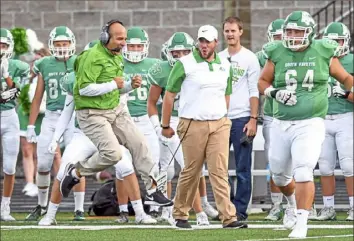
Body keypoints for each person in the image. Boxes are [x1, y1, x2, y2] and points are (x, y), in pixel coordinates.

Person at [258, 11, 353, 238]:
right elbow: (263, 82)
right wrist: (274, 93)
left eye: (297, 31)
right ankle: (291, 204)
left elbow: (347, 79)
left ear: (309, 33)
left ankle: (302, 220)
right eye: (289, 31)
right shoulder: (276, 51)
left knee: (303, 170)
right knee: (280, 175)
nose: (292, 36)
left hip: (310, 122)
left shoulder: (323, 51)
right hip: (281, 122)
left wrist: (349, 91)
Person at [60, 19, 173, 208]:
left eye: (125, 39)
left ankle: (153, 191)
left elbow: (114, 89)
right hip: (92, 113)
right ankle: (75, 173)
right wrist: (114, 84)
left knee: (140, 144)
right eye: (120, 38)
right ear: (106, 37)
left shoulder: (117, 56)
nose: (124, 43)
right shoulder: (91, 57)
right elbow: (84, 89)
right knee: (112, 154)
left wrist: (129, 86)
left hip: (115, 109)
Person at [39, 67, 156, 225]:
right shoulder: (76, 80)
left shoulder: (117, 79)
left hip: (108, 135)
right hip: (84, 135)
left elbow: (123, 112)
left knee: (127, 168)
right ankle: (50, 215)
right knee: (63, 168)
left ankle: (140, 213)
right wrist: (55, 138)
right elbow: (67, 112)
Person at [161, 24, 247, 229]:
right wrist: (165, 124)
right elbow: (169, 95)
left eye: (208, 41)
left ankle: (229, 217)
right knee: (192, 170)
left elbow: (226, 93)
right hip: (192, 123)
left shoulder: (225, 64)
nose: (204, 45)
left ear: (216, 42)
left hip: (219, 123)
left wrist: (223, 117)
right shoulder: (184, 63)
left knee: (219, 170)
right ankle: (180, 214)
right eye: (201, 41)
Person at [147, 32, 218, 225]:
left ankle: (199, 210)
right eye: (175, 53)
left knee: (190, 168)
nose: (179, 56)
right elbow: (152, 102)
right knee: (166, 169)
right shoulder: (162, 70)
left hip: (191, 120)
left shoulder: (201, 67)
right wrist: (158, 127)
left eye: (184, 52)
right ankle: (166, 209)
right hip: (168, 121)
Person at [25, 26, 79, 221]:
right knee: (44, 164)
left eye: (65, 43)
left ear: (72, 44)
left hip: (73, 116)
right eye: (58, 44)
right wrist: (31, 125)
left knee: (75, 162)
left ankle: (79, 209)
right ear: (51, 45)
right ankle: (41, 205)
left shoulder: (79, 62)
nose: (62, 47)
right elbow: (38, 96)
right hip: (51, 116)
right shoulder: (45, 64)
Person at [219, 16, 260, 221]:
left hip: (242, 117)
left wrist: (253, 118)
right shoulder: (218, 58)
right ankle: (227, 209)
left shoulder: (250, 58)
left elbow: (254, 90)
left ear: (240, 32)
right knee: (220, 168)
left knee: (243, 168)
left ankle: (240, 210)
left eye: (233, 30)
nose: (230, 34)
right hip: (221, 118)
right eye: (226, 31)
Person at [121, 26, 162, 216]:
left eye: (139, 47)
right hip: (124, 119)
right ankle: (127, 209)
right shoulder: (117, 63)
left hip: (146, 119)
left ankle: (154, 206)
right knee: (123, 166)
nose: (135, 50)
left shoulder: (155, 64)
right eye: (131, 46)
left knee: (154, 162)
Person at [316, 22, 353, 221]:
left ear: (345, 41)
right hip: (323, 118)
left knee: (349, 166)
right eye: (331, 41)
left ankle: (353, 207)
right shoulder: (321, 60)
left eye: (338, 41)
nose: (335, 45)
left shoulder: (351, 61)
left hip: (345, 117)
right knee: (324, 166)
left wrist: (346, 94)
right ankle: (328, 208)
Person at [0, 28, 30, 221]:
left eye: (3, 45)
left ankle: (5, 208)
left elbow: (16, 92)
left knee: (10, 167)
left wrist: (6, 74)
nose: (0, 49)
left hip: (9, 116)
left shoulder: (19, 66)